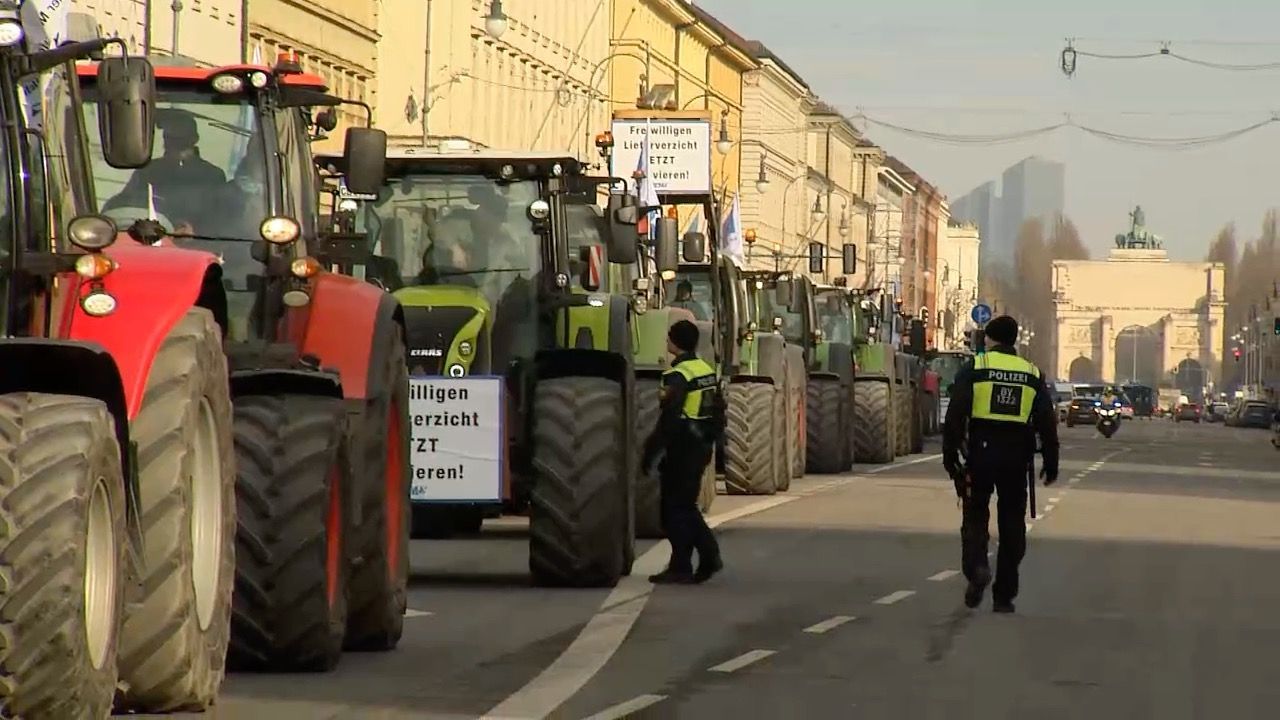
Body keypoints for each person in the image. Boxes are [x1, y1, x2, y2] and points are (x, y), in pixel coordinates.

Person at [942, 315, 1059, 614]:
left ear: (990, 340)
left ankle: (978, 567)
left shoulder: (977, 368)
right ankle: (1005, 595)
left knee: (975, 517)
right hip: (1016, 458)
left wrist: (950, 456)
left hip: (980, 454)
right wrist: (1051, 459)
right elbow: (1046, 419)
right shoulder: (1031, 373)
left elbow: (956, 413)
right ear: (1015, 340)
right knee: (1012, 524)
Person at [642, 320, 725, 584]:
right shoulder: (706, 370)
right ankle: (682, 563)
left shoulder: (678, 376)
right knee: (682, 506)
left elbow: (670, 418)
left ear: (675, 343)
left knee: (676, 508)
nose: (666, 342)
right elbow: (719, 410)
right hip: (701, 444)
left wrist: (650, 451)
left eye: (669, 338)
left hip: (683, 447)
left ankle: (707, 556)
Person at [104, 110, 226, 230]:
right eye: (169, 136)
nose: (171, 140)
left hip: (194, 245)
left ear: (194, 139)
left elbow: (219, 220)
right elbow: (124, 204)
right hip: (151, 239)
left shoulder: (213, 176)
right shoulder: (148, 171)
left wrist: (194, 231)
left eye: (178, 135)